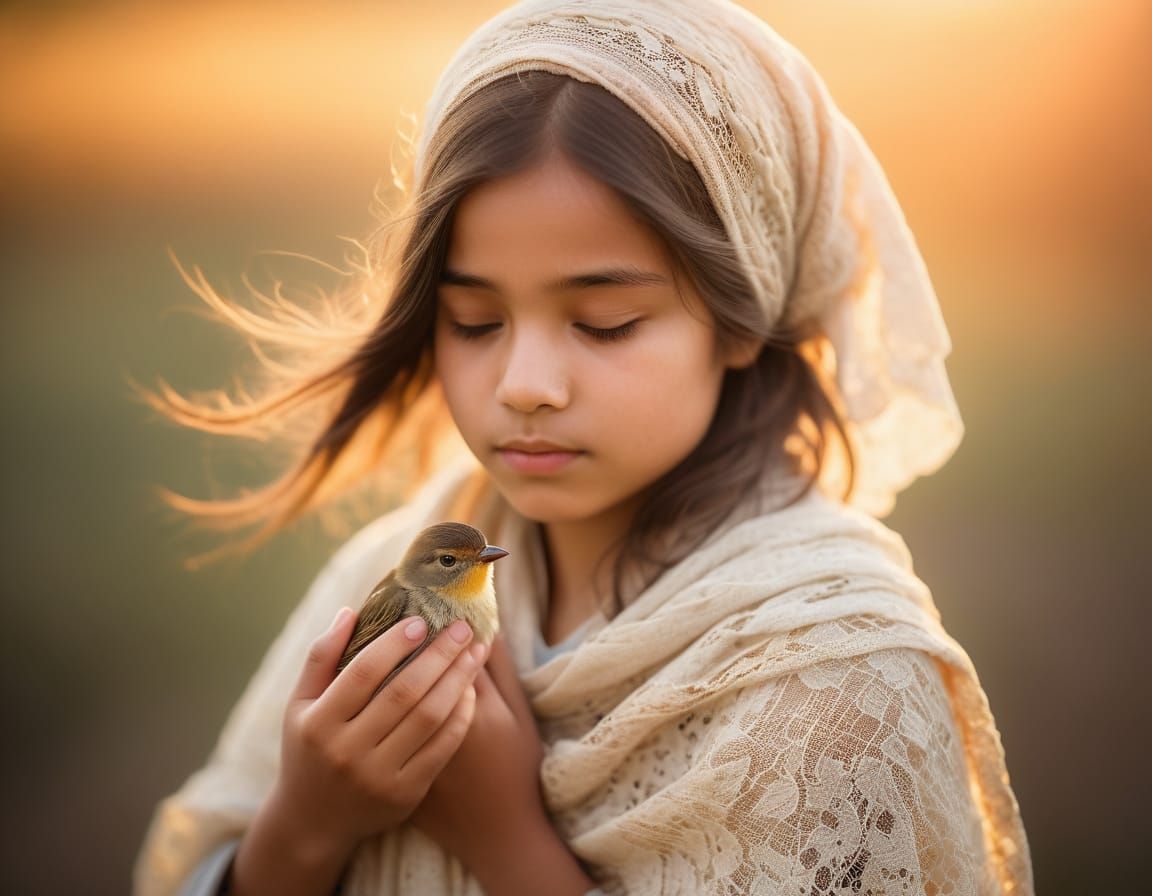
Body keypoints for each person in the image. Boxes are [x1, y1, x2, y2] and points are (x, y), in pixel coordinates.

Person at [133, 1, 1033, 894]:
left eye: (604, 322)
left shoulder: (835, 686)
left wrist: (505, 838)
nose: (525, 382)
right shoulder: (385, 571)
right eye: (474, 319)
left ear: (740, 320)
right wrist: (306, 823)